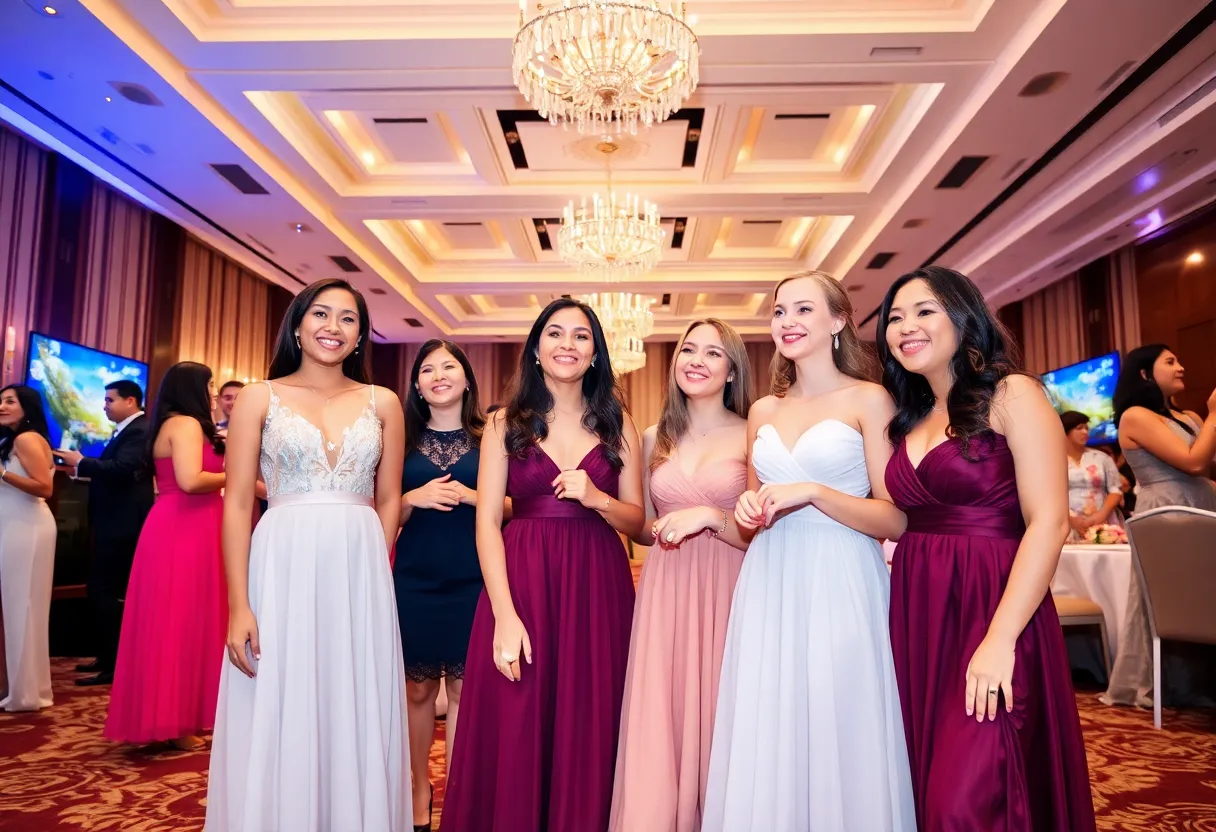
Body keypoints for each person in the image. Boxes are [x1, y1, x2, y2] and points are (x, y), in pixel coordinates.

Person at [878, 266, 1095, 831]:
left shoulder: (1012, 393)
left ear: (964, 316)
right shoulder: (909, 419)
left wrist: (1001, 637)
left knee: (969, 794)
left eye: (924, 311)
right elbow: (901, 520)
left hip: (993, 606)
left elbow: (1048, 521)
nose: (906, 327)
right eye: (895, 318)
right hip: (918, 614)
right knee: (921, 781)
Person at [703, 272, 915, 831]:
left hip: (842, 574)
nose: (787, 322)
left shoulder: (871, 399)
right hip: (770, 576)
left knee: (837, 712)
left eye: (803, 309)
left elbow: (895, 516)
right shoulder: (762, 412)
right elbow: (754, 512)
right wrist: (747, 513)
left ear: (838, 321)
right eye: (778, 312)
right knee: (772, 718)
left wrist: (816, 493)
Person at [206, 278, 411, 832]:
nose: (332, 327)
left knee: (353, 697)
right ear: (297, 325)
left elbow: (389, 495)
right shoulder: (258, 396)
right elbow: (235, 504)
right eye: (320, 314)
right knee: (282, 690)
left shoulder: (383, 402)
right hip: (282, 561)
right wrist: (239, 604)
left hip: (359, 567)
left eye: (348, 319)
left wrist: (376, 555)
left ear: (361, 335)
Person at [440, 298, 645, 832]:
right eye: (555, 334)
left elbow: (639, 523)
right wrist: (505, 616)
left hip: (597, 587)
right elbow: (487, 524)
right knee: (518, 719)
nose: (567, 345)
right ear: (535, 349)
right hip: (523, 584)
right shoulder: (505, 424)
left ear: (596, 353)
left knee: (590, 717)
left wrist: (598, 499)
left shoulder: (620, 425)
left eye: (581, 336)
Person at [610, 319, 752, 832]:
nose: (695, 359)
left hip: (732, 583)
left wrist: (712, 518)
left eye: (713, 353)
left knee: (724, 706)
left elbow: (764, 530)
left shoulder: (754, 429)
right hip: (666, 588)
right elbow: (646, 529)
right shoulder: (654, 436)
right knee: (663, 714)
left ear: (732, 369)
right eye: (688, 349)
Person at [394, 339, 497, 831]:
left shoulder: (491, 436)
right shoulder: (399, 438)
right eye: (427, 369)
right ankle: (418, 787)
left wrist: (474, 496)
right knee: (416, 693)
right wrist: (413, 495)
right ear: (416, 384)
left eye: (448, 366)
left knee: (462, 689)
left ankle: (456, 792)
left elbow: (518, 508)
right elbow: (377, 515)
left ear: (466, 379)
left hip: (473, 580)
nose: (438, 374)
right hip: (413, 579)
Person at [103, 362, 227, 750]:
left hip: (179, 524)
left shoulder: (169, 424)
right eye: (209, 386)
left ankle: (174, 716)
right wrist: (237, 472)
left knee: (175, 619)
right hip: (186, 527)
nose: (212, 394)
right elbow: (191, 481)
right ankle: (175, 720)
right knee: (180, 620)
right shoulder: (186, 425)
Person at [1102, 344, 1216, 708]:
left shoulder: (1190, 418)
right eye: (1171, 362)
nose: (1181, 367)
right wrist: (1215, 414)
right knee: (1169, 597)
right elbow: (1193, 462)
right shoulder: (1135, 416)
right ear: (1145, 374)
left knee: (1202, 595)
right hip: (1166, 514)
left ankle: (1200, 682)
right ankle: (1158, 683)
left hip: (1200, 506)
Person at [57, 380, 155, 687]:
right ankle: (107, 656)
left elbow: (123, 469)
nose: (104, 405)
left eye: (110, 400)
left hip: (123, 524)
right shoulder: (129, 429)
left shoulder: (139, 429)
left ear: (130, 401)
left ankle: (115, 663)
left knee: (106, 591)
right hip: (114, 521)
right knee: (103, 590)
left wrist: (82, 462)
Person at [0, 384, 56, 711]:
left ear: (27, 407)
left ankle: (24, 692)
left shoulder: (26, 439)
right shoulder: (14, 439)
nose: (3, 406)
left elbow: (44, 487)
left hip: (25, 525)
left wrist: (4, 474)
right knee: (17, 605)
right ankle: (18, 685)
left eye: (10, 401)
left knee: (22, 605)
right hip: (15, 523)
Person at [1061, 410, 1124, 541]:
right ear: (1065, 431)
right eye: (1079, 428)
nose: (1085, 432)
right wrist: (1070, 518)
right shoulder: (1054, 460)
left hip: (1101, 522)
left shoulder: (1101, 458)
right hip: (1066, 523)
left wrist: (1102, 514)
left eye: (1086, 428)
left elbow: (1115, 490)